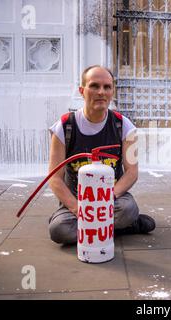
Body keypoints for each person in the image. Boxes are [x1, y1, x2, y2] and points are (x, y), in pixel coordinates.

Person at [48, 65, 155, 245]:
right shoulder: (64, 126)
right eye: (94, 86)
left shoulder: (124, 126)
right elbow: (54, 178)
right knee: (59, 230)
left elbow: (131, 172)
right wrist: (77, 209)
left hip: (113, 199)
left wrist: (108, 199)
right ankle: (122, 227)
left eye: (107, 87)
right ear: (82, 91)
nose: (101, 92)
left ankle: (104, 226)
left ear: (112, 91)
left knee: (128, 209)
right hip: (78, 201)